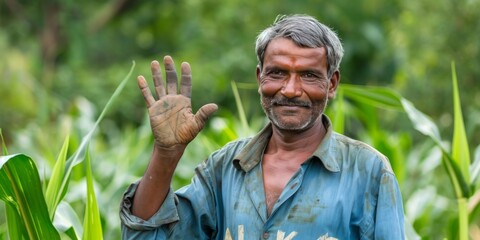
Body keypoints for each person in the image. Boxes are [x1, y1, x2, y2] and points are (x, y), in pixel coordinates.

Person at [120, 14, 405, 239]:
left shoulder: (368, 172)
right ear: (259, 78)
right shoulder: (225, 169)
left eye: (308, 75)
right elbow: (148, 236)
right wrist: (165, 155)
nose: (291, 90)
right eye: (277, 73)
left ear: (331, 84)